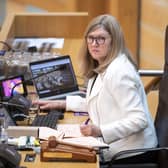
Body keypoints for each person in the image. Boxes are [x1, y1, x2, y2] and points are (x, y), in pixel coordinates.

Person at [33, 14, 158, 165]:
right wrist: (62, 104)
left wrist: (100, 130)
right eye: (90, 38)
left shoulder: (120, 73)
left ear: (114, 41)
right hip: (119, 147)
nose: (94, 44)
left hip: (133, 153)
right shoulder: (103, 64)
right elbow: (102, 102)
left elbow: (139, 120)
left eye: (101, 39)